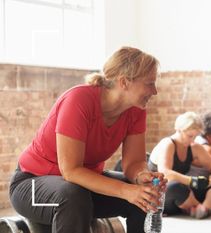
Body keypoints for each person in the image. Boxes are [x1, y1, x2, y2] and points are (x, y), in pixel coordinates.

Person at [9, 46, 167, 233]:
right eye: (149, 84)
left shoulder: (135, 110)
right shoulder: (79, 99)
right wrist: (126, 191)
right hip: (31, 185)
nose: (155, 91)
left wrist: (141, 177)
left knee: (143, 196)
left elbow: (134, 162)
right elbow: (71, 171)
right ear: (124, 82)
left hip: (80, 187)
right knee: (73, 195)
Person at [148, 111, 211, 219]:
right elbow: (165, 174)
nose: (192, 140)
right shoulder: (167, 144)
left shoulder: (193, 146)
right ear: (179, 130)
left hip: (184, 195)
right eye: (190, 136)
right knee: (176, 187)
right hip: (160, 193)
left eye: (195, 136)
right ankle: (207, 208)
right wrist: (193, 181)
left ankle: (203, 208)